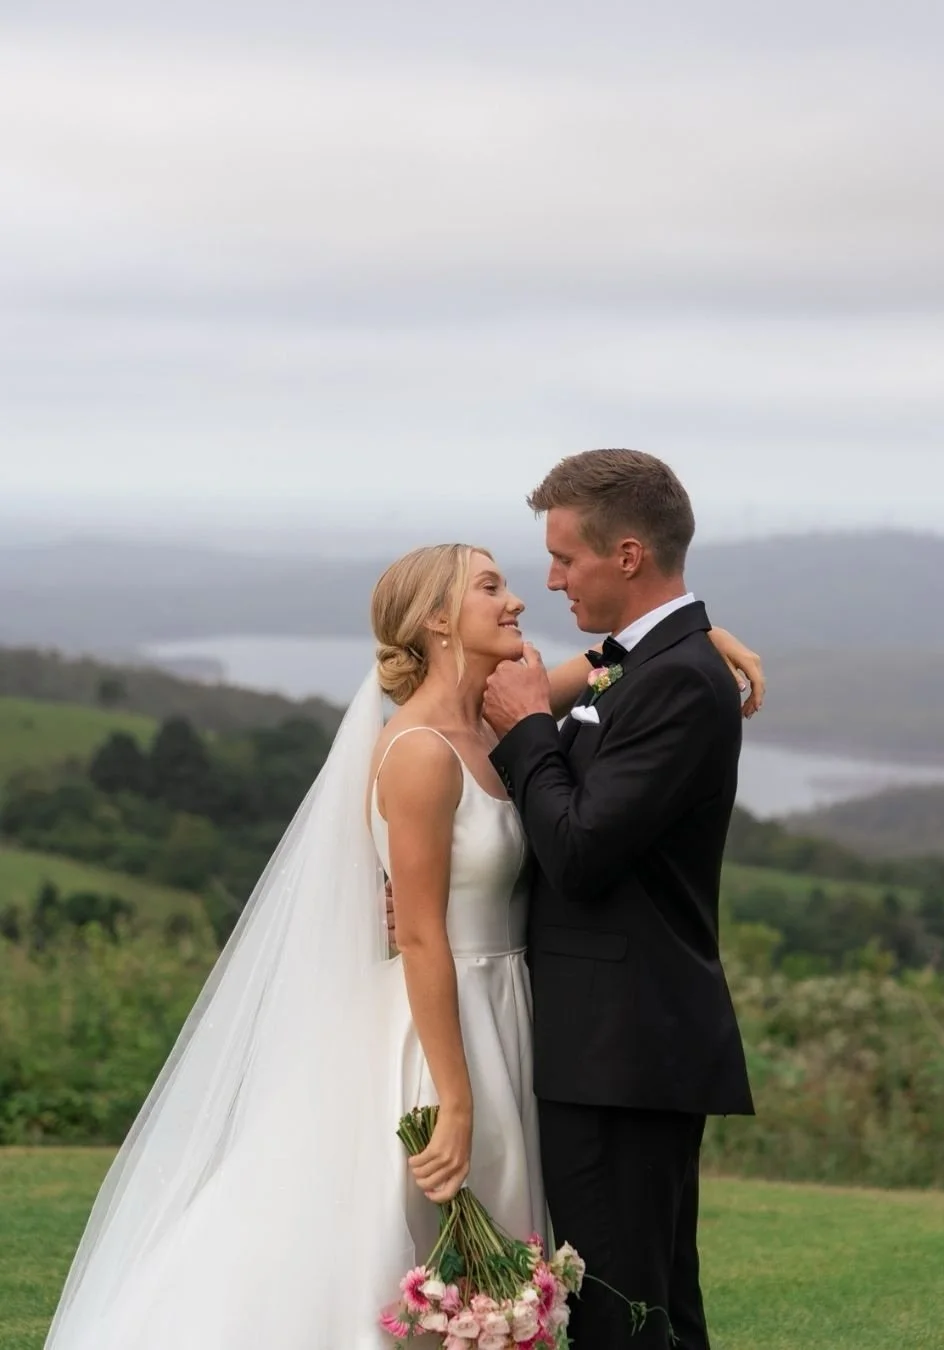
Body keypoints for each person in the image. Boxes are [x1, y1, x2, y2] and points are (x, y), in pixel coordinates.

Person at [43, 534, 762, 1350]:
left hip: (512, 1017)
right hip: (440, 1030)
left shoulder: (494, 730)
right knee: (407, 1254)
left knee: (500, 1259)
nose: (518, 599)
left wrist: (702, 641)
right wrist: (453, 1100)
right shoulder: (419, 752)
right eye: (491, 587)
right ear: (436, 623)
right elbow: (420, 936)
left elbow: (616, 667)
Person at [482, 448, 755, 1350]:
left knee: (619, 1314)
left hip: (622, 1049)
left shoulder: (676, 678)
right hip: (615, 1044)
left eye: (566, 558)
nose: (551, 580)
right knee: (657, 1309)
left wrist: (528, 726)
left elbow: (581, 850)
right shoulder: (651, 661)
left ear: (628, 556)